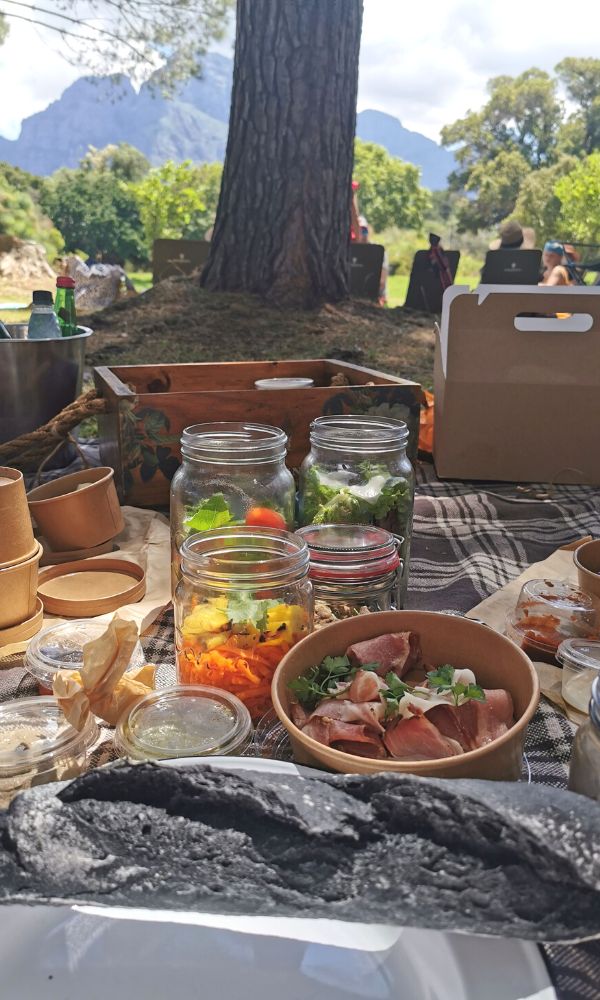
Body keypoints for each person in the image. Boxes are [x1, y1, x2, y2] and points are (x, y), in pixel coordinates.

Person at [357, 215, 388, 305]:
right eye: (358, 230)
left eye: (364, 230)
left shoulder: (377, 251)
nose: (362, 234)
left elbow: (382, 279)